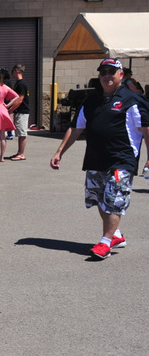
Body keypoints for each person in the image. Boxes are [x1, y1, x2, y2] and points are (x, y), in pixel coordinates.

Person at [50, 58, 149, 260]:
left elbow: (146, 130)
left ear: (121, 75)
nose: (107, 76)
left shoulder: (133, 100)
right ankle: (116, 235)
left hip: (122, 160)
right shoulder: (90, 101)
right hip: (95, 159)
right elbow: (76, 129)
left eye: (112, 71)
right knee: (100, 199)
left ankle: (105, 242)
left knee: (114, 201)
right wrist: (59, 152)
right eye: (103, 72)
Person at [9, 65, 30, 160]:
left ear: (17, 71)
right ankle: (19, 152)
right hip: (19, 111)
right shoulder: (18, 83)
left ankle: (21, 154)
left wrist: (10, 110)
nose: (12, 74)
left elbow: (20, 99)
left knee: (22, 133)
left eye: (13, 71)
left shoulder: (21, 84)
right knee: (19, 133)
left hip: (22, 111)